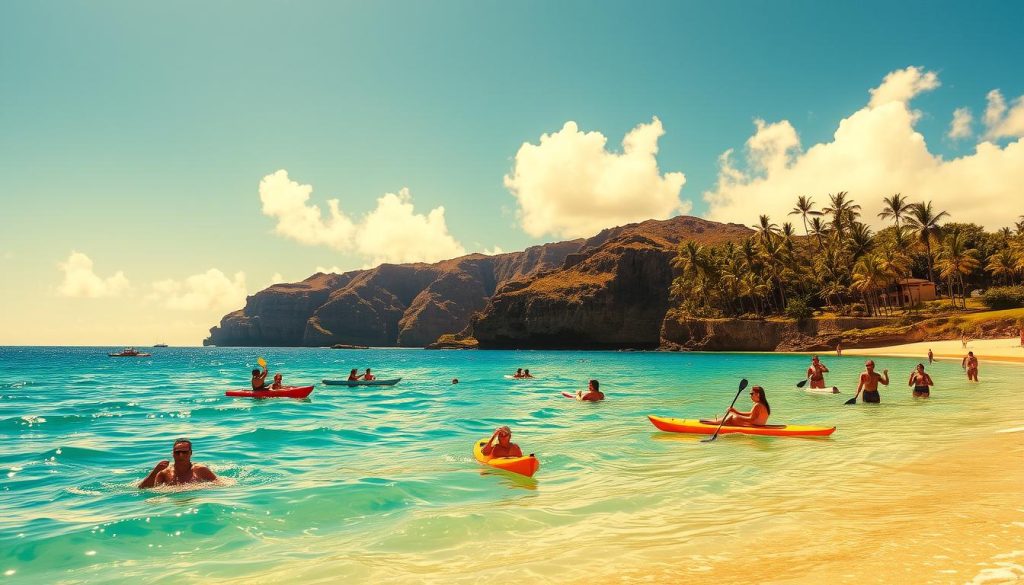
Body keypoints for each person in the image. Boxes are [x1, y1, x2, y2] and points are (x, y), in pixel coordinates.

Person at [138, 438, 217, 489]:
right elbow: (143, 488)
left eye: (184, 452)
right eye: (177, 452)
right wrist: (155, 472)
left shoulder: (200, 469)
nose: (181, 455)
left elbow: (220, 484)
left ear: (191, 453)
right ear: (173, 453)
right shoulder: (164, 473)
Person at [706, 386, 770, 427]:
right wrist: (736, 412)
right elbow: (751, 414)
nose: (750, 395)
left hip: (754, 426)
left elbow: (751, 418)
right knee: (732, 415)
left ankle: (715, 422)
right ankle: (718, 421)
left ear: (757, 394)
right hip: (759, 425)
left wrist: (737, 416)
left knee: (733, 417)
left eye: (751, 393)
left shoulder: (757, 405)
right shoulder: (763, 404)